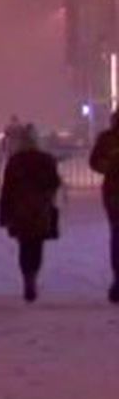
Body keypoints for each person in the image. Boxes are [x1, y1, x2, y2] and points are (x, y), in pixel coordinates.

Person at [0, 126, 62, 302]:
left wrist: (4, 211)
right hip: (41, 208)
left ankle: (28, 277)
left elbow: (7, 188)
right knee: (37, 245)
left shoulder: (15, 161)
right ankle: (33, 276)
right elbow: (54, 182)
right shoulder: (46, 160)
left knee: (24, 245)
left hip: (20, 208)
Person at [89, 111, 119, 303]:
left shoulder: (106, 139)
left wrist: (108, 167)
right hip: (114, 192)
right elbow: (95, 162)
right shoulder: (106, 139)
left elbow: (95, 162)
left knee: (117, 235)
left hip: (113, 193)